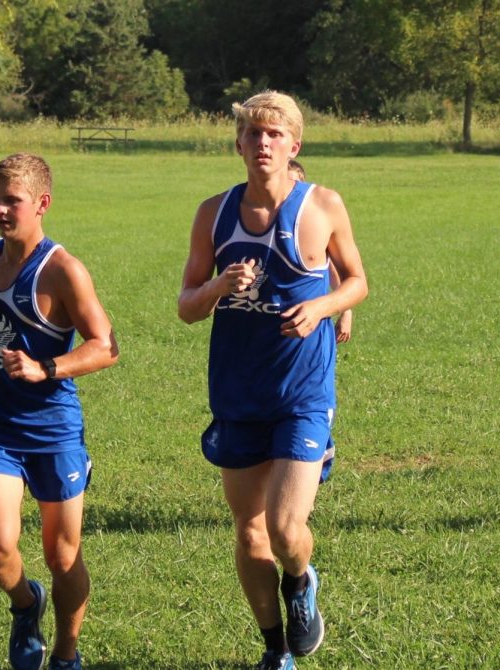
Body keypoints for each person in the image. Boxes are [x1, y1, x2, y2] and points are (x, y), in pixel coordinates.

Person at [178, 91, 367, 670]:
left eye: (274, 135)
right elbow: (186, 305)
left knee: (286, 529)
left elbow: (357, 281)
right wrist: (217, 287)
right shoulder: (213, 212)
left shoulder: (324, 205)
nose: (263, 143)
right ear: (238, 145)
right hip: (238, 392)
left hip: (303, 394)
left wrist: (324, 307)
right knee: (249, 532)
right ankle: (275, 648)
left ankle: (302, 579)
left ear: (294, 146)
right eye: (253, 134)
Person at [0, 153, 119, 670]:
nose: (0, 210)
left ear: (41, 203)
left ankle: (66, 652)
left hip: (53, 432)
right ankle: (26, 603)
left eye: (11, 201)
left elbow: (106, 346)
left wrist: (47, 367)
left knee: (62, 556)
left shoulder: (62, 270)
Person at [287, 159, 353, 343]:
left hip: (310, 325)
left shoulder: (313, 223)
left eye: (295, 183)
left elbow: (337, 274)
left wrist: (346, 313)